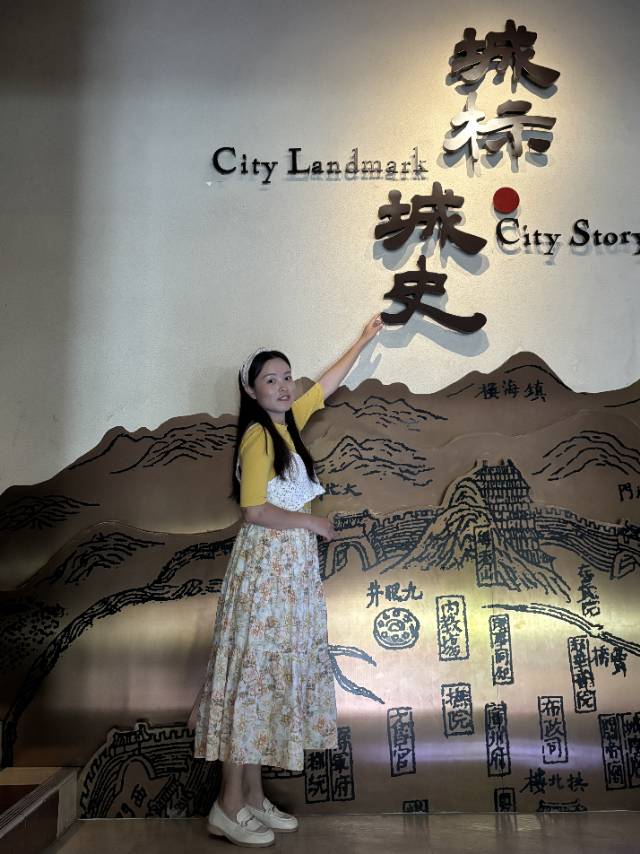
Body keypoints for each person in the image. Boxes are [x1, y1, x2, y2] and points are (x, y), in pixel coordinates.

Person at [191, 313, 384, 847]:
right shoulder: (258, 435)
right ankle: (228, 805)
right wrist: (312, 523)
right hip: (266, 571)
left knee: (267, 679)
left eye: (286, 377)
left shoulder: (285, 424)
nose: (283, 385)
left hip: (286, 572)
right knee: (253, 679)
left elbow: (325, 386)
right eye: (270, 379)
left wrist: (363, 340)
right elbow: (253, 511)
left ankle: (252, 798)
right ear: (252, 391)